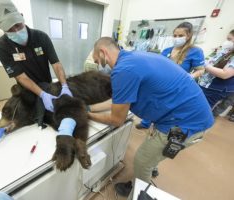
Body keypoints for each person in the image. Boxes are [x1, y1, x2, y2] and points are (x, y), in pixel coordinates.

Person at [88, 37, 214, 198]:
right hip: (189, 113)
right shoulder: (135, 57)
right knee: (152, 150)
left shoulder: (123, 70)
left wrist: (87, 115)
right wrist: (90, 107)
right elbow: (118, 99)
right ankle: (140, 180)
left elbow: (116, 120)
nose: (101, 66)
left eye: (99, 61)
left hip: (184, 122)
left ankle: (141, 192)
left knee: (142, 160)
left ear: (103, 52)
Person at [0, 0, 72, 112]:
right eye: (10, 29)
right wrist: (42, 95)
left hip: (47, 85)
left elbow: (56, 64)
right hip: (26, 90)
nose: (16, 31)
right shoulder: (2, 46)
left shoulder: (41, 37)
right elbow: (20, 76)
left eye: (18, 25)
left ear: (22, 17)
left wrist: (64, 85)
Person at [137, 22, 205, 130]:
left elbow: (201, 70)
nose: (177, 38)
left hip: (178, 87)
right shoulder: (166, 50)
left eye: (181, 36)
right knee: (153, 102)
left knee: (167, 107)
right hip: (162, 82)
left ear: (188, 36)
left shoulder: (195, 51)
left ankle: (160, 127)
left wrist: (190, 76)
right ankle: (146, 122)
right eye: (175, 35)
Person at [198, 29, 234, 110]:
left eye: (229, 39)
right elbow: (212, 61)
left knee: (202, 110)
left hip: (215, 88)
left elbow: (224, 74)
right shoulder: (226, 51)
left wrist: (204, 64)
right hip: (206, 84)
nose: (226, 42)